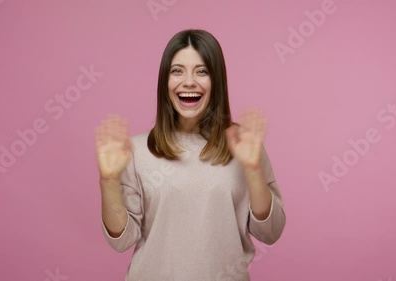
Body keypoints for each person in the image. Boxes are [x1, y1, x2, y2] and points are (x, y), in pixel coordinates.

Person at [95, 29, 286, 281]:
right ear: (165, 81)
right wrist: (108, 180)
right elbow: (122, 240)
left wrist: (253, 170)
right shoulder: (137, 150)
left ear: (216, 80)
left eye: (202, 71)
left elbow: (270, 232)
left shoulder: (244, 146)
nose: (188, 81)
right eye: (177, 71)